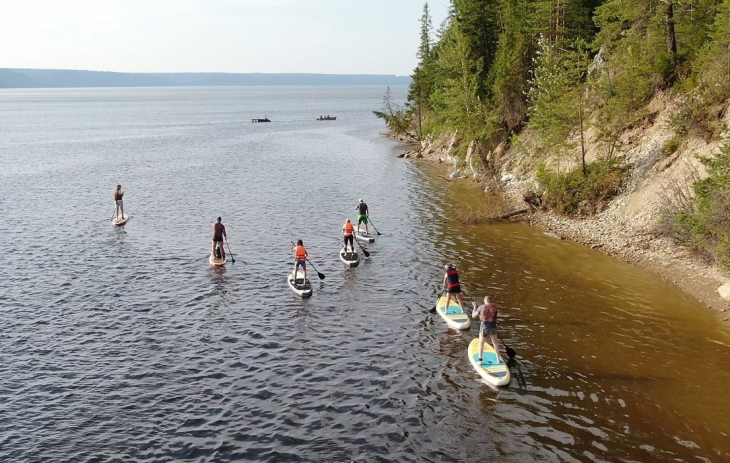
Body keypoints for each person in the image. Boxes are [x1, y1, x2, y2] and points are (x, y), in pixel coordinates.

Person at [471, 296, 503, 364]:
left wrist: (474, 307)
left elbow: (473, 316)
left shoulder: (481, 307)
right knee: (495, 344)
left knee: (481, 344)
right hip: (493, 327)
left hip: (484, 328)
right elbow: (494, 317)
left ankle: (480, 360)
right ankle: (498, 359)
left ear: (484, 300)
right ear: (490, 300)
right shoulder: (494, 308)